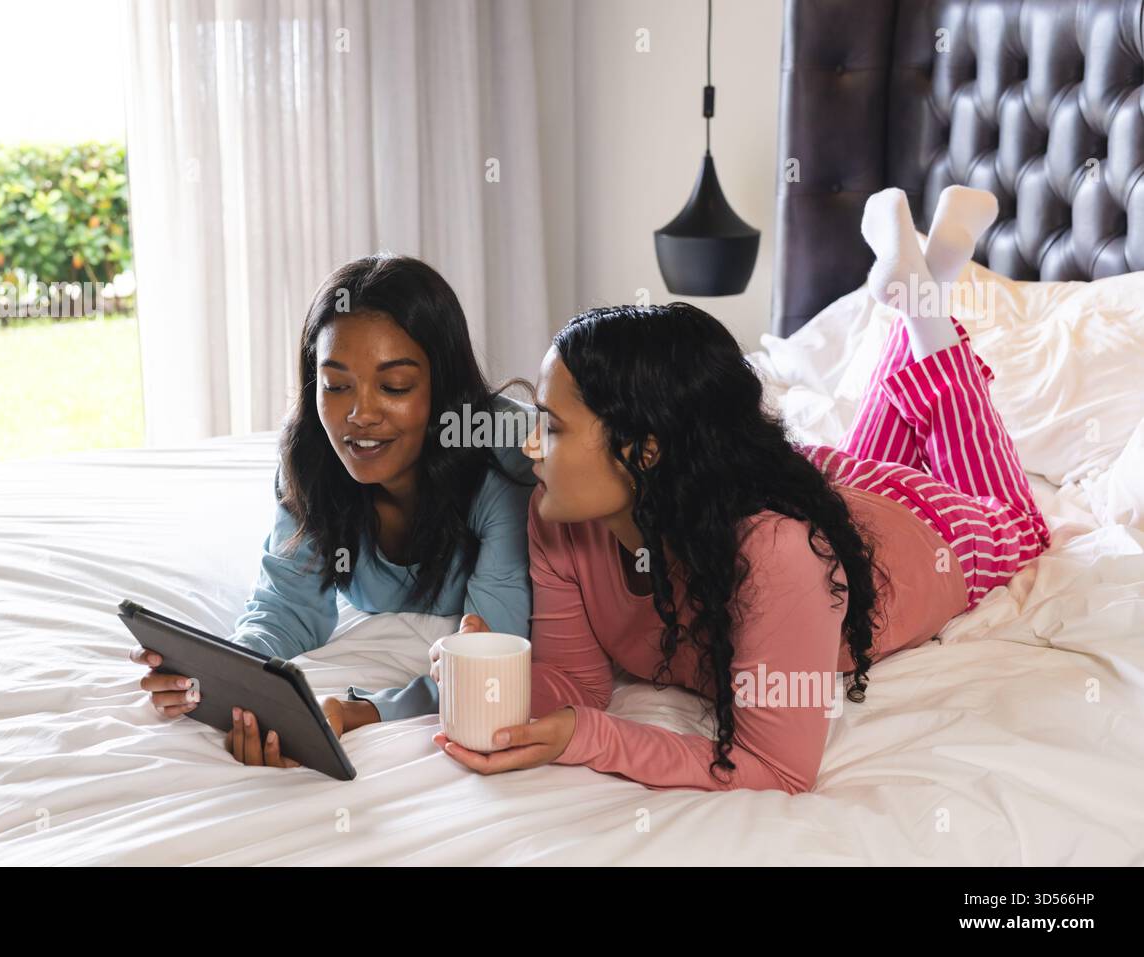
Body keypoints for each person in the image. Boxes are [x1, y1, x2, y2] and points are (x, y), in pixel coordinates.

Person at [433, 186, 1050, 793]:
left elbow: (779, 767)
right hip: (820, 483)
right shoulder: (558, 517)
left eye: (555, 427)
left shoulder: (778, 556)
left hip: (926, 532)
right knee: (870, 458)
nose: (531, 447)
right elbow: (578, 683)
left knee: (1023, 524)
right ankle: (925, 283)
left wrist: (592, 738)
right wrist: (491, 685)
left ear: (645, 451)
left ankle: (928, 295)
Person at [134, 253, 536, 767]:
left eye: (394, 387)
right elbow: (287, 607)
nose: (360, 415)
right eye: (336, 385)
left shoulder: (502, 466)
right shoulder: (310, 459)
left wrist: (359, 710)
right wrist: (220, 679)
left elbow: (489, 671)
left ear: (445, 390)